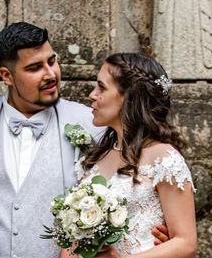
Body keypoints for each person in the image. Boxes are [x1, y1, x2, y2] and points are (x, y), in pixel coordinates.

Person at [0, 22, 168, 257]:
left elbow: (136, 186)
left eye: (52, 61)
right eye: (34, 67)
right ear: (7, 76)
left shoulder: (94, 126)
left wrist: (146, 239)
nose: (50, 74)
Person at [62, 53, 197, 258]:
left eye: (102, 87)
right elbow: (73, 241)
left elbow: (185, 243)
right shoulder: (95, 157)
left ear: (129, 96)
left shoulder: (164, 159)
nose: (92, 94)